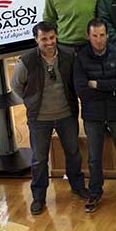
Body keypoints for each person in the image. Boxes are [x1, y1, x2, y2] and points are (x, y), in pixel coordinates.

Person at [11, 21, 87, 215]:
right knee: (39, 159)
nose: (49, 42)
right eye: (44, 39)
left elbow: (76, 81)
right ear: (36, 39)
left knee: (73, 153)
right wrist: (31, 101)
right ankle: (38, 197)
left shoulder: (69, 55)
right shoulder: (27, 61)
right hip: (39, 118)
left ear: (57, 36)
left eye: (52, 37)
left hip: (66, 114)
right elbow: (17, 85)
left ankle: (78, 187)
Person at [74, 18, 116, 213]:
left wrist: (98, 84)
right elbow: (81, 89)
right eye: (95, 36)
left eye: (102, 35)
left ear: (107, 35)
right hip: (92, 115)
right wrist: (111, 88)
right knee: (94, 157)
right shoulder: (81, 57)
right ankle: (95, 192)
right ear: (88, 36)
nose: (99, 39)